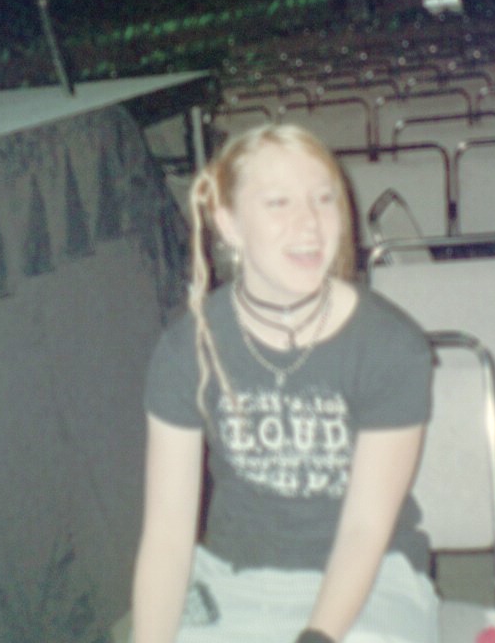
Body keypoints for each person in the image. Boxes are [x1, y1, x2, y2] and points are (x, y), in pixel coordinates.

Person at [132, 124, 439, 643]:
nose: (310, 223)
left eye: (323, 199)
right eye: (278, 202)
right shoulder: (187, 350)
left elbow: (365, 530)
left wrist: (316, 637)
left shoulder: (391, 346)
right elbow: (166, 537)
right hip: (232, 580)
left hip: (373, 582)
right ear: (228, 224)